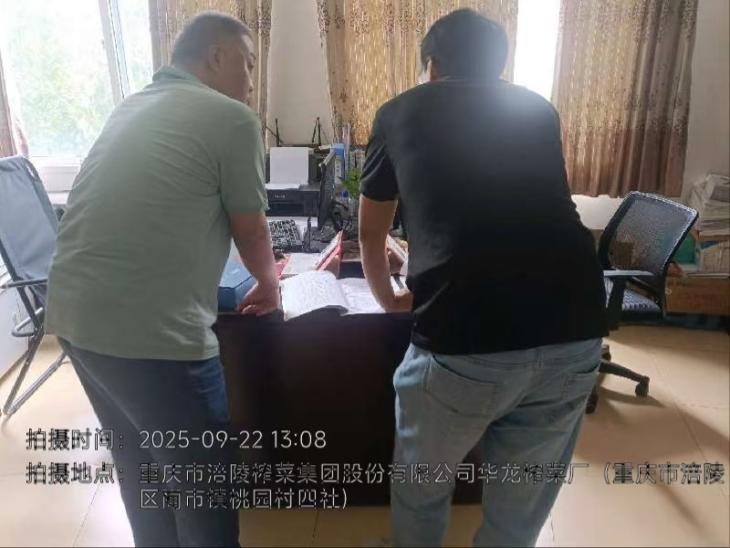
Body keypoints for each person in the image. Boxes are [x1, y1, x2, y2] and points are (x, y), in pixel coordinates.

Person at [358, 9, 607, 547]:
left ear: (431, 65)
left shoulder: (398, 111)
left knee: (423, 486)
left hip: (464, 334)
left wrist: (388, 299)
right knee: (521, 505)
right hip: (576, 326)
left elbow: (370, 233)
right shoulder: (538, 109)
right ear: (498, 65)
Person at [45, 11, 279, 547]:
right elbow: (251, 228)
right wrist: (269, 284)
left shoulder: (130, 106)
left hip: (75, 319)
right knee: (204, 489)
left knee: (141, 470)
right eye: (247, 64)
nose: (250, 80)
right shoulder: (232, 118)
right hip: (153, 335)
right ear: (215, 57)